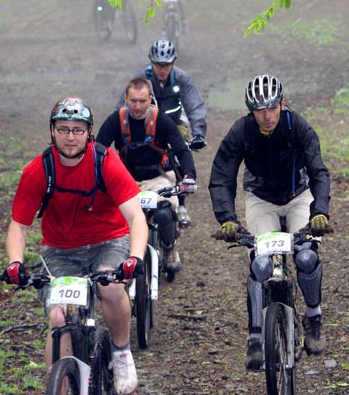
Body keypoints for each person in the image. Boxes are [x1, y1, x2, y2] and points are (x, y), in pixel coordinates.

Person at [2, 97, 148, 395]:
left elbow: (135, 216)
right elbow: (19, 226)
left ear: (89, 134)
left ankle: (122, 352)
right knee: (58, 317)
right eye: (64, 130)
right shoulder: (38, 170)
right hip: (61, 251)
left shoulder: (106, 162)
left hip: (108, 240)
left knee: (110, 287)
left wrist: (134, 258)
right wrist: (14, 262)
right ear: (52, 131)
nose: (71, 137)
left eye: (78, 130)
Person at [208, 74, 331, 370]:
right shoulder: (242, 131)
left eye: (272, 107)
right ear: (251, 111)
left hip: (298, 195)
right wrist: (227, 219)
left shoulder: (297, 126)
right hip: (261, 198)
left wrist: (320, 210)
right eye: (259, 109)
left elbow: (318, 172)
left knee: (304, 256)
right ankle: (255, 335)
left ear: (282, 103)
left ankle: (313, 317)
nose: (266, 115)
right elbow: (222, 176)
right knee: (261, 264)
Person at [97, 77, 197, 273]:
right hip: (126, 180)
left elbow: (181, 149)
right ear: (125, 98)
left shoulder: (161, 120)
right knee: (115, 216)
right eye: (133, 100)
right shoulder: (115, 121)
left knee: (164, 212)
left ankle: (169, 248)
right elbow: (98, 151)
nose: (137, 106)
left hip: (157, 178)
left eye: (142, 101)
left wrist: (188, 175)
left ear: (150, 99)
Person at [115, 39, 207, 227]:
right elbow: (125, 104)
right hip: (149, 124)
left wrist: (198, 134)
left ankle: (181, 204)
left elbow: (194, 105)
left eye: (166, 65)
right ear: (151, 62)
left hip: (175, 123)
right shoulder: (142, 78)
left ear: (173, 62)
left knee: (181, 155)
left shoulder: (182, 79)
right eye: (157, 64)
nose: (162, 69)